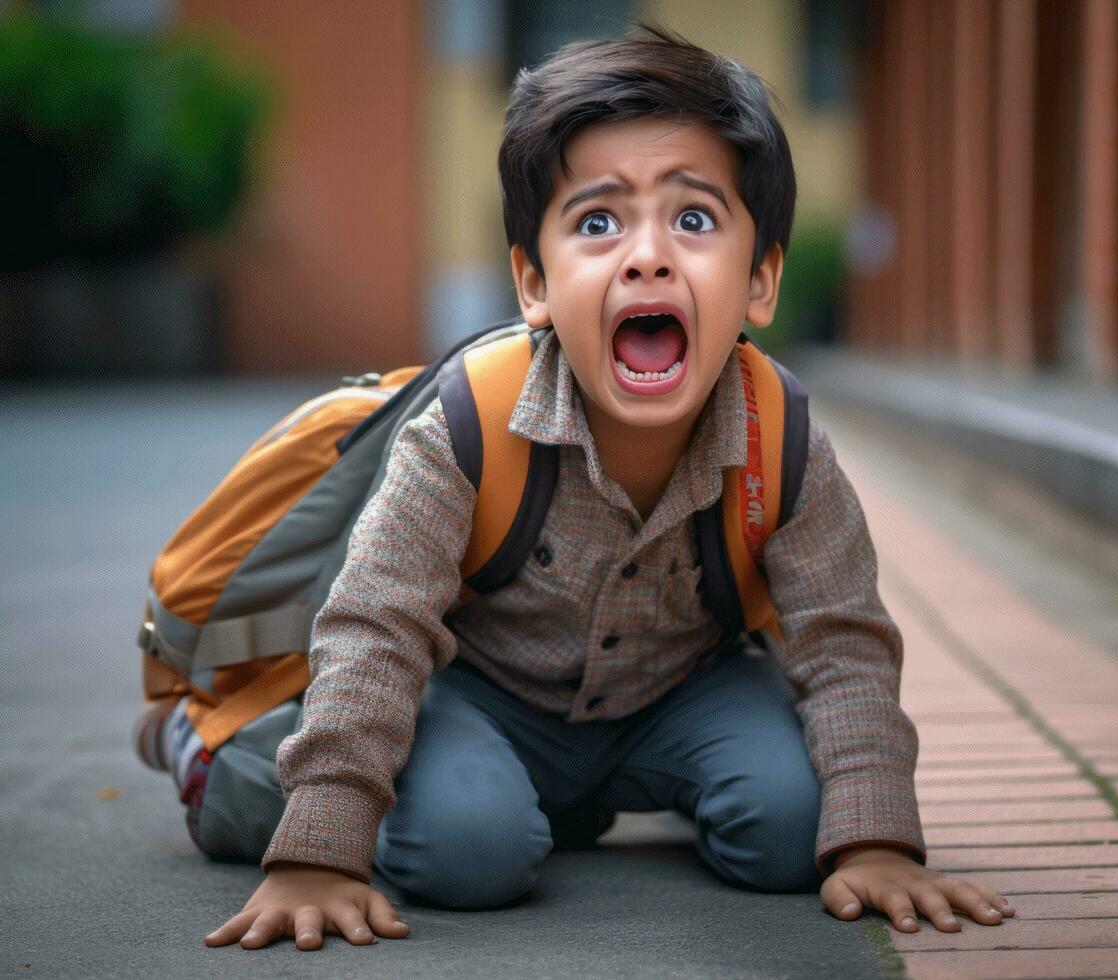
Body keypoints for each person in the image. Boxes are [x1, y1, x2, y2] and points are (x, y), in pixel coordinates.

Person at [202, 22, 1015, 952]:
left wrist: (875, 841)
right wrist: (320, 853)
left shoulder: (780, 438)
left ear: (760, 280)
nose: (646, 256)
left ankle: (571, 797)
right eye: (596, 221)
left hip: (677, 694)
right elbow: (377, 624)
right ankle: (229, 767)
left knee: (798, 828)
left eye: (694, 218)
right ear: (532, 283)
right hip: (476, 690)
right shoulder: (468, 424)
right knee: (472, 853)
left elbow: (843, 642)